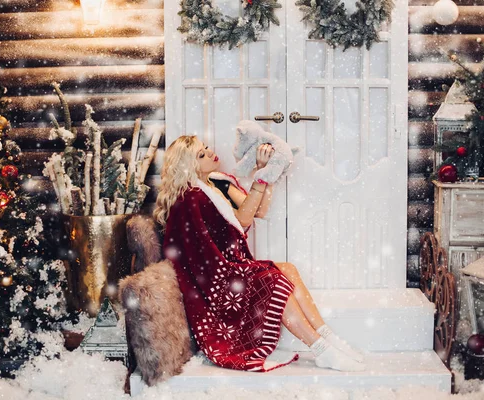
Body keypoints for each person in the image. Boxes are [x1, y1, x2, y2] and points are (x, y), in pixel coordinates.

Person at [154, 135, 365, 372]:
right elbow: (210, 246)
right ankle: (320, 349)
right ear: (188, 166)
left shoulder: (215, 183)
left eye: (206, 148)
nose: (211, 153)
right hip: (216, 277)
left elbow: (257, 212)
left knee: (287, 269)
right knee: (271, 279)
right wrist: (232, 268)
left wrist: (267, 172)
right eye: (201, 155)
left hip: (231, 264)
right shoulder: (191, 198)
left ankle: (328, 337)